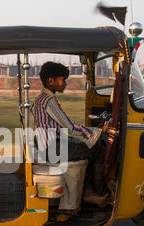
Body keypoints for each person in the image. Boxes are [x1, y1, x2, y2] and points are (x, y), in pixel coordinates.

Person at [32, 61, 109, 207]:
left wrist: (91, 135)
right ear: (51, 81)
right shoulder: (49, 102)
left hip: (50, 146)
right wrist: (99, 131)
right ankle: (95, 193)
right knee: (97, 151)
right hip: (53, 149)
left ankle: (88, 191)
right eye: (62, 80)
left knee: (89, 145)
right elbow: (70, 127)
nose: (65, 84)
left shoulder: (41, 99)